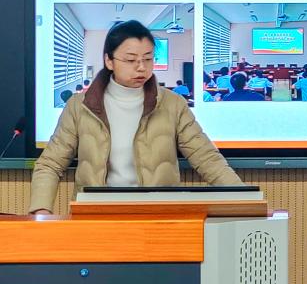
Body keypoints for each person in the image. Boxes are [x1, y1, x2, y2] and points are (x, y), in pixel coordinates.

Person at [29, 20, 243, 214]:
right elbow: (50, 164)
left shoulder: (173, 104)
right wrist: (41, 210)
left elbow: (207, 159)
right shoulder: (79, 106)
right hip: (96, 216)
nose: (141, 67)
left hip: (158, 215)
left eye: (148, 59)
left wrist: (245, 201)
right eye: (131, 60)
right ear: (109, 61)